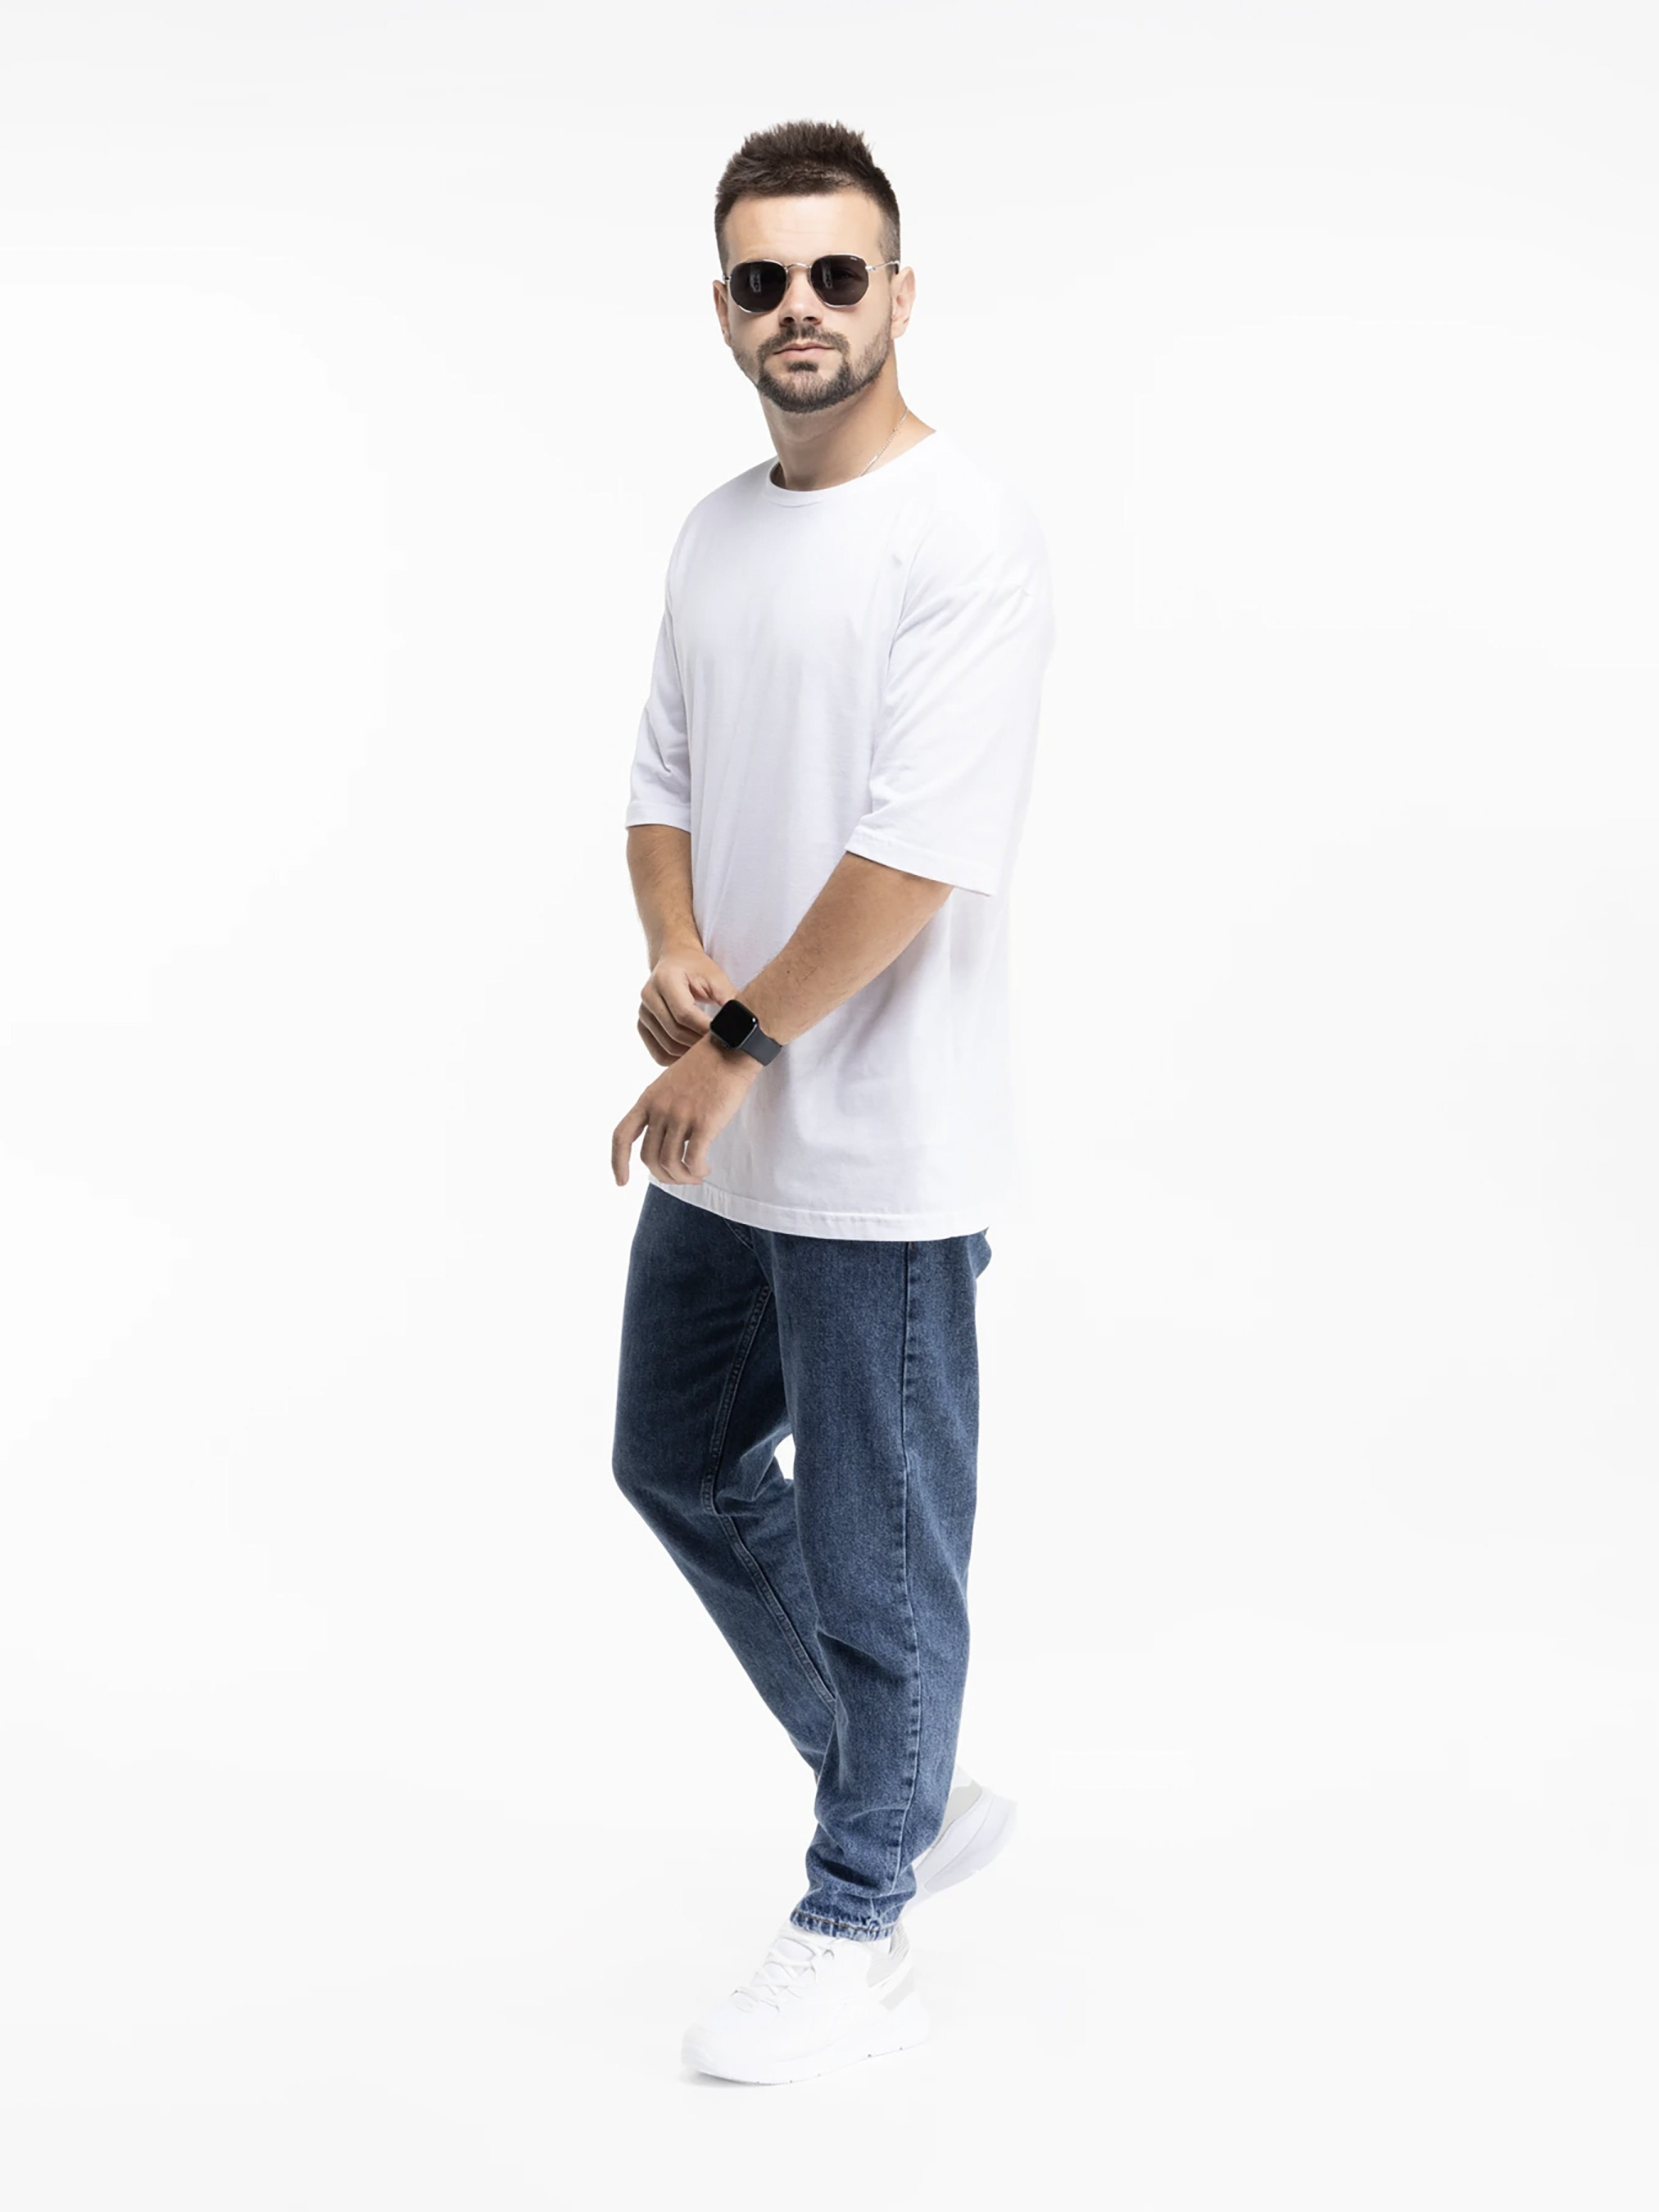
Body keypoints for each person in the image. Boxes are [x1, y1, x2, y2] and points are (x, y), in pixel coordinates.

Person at [608, 118, 1055, 2086]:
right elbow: (660, 782)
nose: (801, 307)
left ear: (897, 293)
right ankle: (909, 1786)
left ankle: (858, 1912)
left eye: (835, 273)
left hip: (872, 1147)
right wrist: (674, 952)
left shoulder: (961, 533)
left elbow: (907, 864)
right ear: (722, 308)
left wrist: (731, 1048)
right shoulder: (716, 531)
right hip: (735, 1125)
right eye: (764, 279)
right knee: (675, 1458)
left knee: (881, 1557)